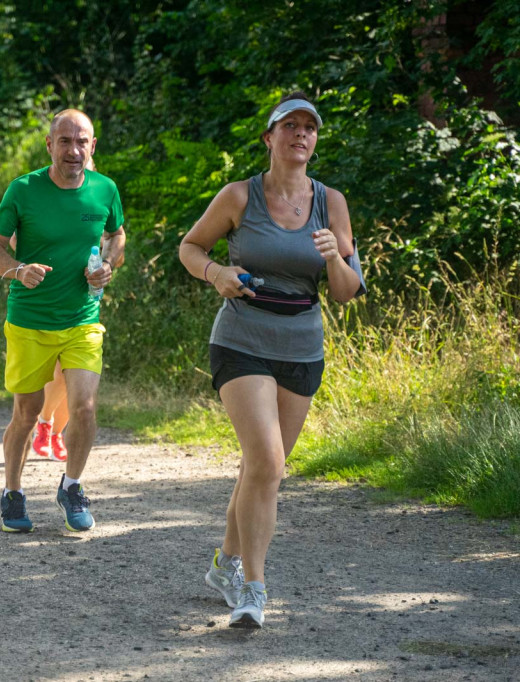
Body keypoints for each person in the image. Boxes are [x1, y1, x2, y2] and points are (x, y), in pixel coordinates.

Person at [178, 93, 365, 628]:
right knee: (269, 462)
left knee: (260, 469)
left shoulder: (332, 203)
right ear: (270, 138)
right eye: (290, 126)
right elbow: (190, 247)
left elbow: (348, 291)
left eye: (309, 127)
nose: (300, 135)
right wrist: (216, 274)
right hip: (242, 339)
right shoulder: (240, 196)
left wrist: (334, 258)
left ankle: (225, 564)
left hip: (302, 348)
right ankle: (253, 590)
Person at [0, 109, 126, 533]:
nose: (74, 150)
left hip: (83, 316)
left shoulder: (105, 189)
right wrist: (17, 270)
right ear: (50, 145)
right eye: (65, 141)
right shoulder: (23, 190)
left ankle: (73, 485)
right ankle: (12, 492)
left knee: (84, 407)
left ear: (93, 146)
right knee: (26, 414)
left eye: (82, 142)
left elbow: (116, 234)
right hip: (30, 319)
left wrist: (109, 264)